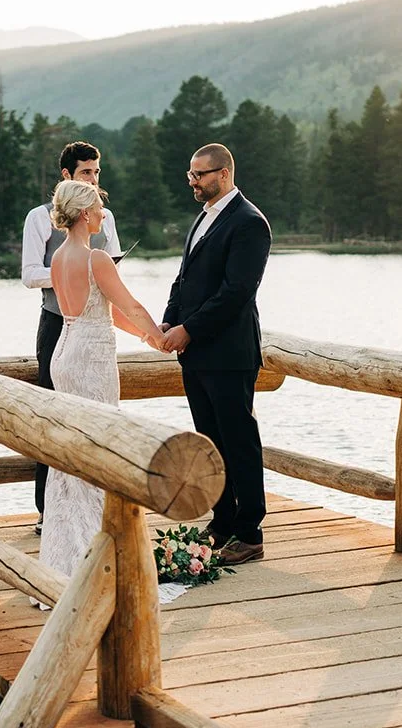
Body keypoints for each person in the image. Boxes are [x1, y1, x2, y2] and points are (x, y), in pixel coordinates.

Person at [38, 179, 167, 581]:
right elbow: (130, 304)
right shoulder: (98, 260)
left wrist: (148, 336)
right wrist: (163, 337)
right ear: (82, 214)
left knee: (72, 450)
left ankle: (68, 551)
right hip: (91, 358)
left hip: (66, 348)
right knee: (101, 443)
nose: (101, 213)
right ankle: (98, 552)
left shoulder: (59, 257)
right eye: (96, 208)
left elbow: (109, 315)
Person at [160, 144, 272, 565]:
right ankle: (222, 520)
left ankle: (250, 531)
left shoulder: (249, 223)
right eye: (190, 174)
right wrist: (171, 319)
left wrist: (191, 329)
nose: (192, 181)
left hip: (229, 353)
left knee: (240, 442)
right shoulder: (205, 217)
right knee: (211, 442)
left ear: (223, 174)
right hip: (197, 354)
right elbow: (185, 277)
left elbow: (236, 293)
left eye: (199, 175)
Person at [20, 141, 120, 534]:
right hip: (55, 324)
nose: (94, 180)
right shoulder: (38, 218)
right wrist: (73, 272)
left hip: (96, 328)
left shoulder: (104, 216)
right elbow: (29, 273)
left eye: (96, 172)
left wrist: (98, 270)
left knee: (100, 415)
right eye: (86, 174)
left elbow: (110, 262)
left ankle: (97, 502)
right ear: (66, 176)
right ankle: (49, 510)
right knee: (52, 413)